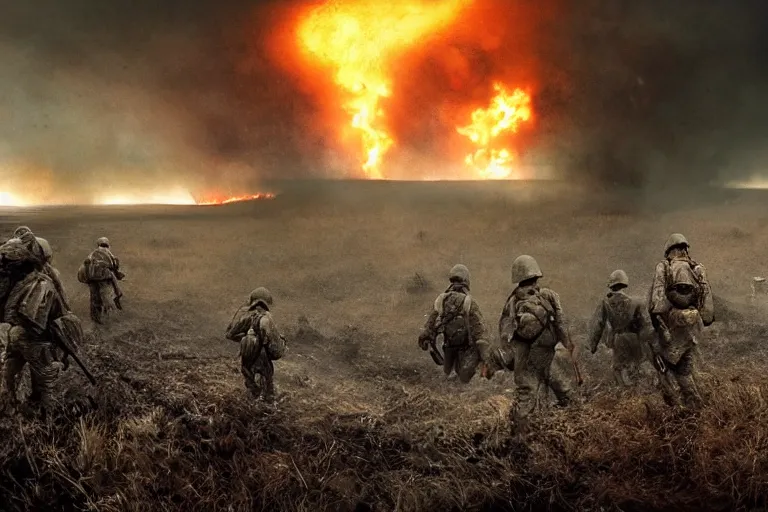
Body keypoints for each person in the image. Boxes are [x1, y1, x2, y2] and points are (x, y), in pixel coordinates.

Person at [0, 236, 84, 416]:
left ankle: (8, 410)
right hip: (29, 336)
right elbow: (38, 324)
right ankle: (49, 420)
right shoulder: (42, 282)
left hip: (15, 335)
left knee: (10, 371)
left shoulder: (17, 280)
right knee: (47, 376)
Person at [499, 255, 575, 437]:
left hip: (524, 359)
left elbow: (504, 331)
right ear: (536, 274)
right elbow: (560, 323)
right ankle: (571, 430)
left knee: (525, 399)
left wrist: (511, 356)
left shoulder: (511, 301)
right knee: (565, 392)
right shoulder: (548, 295)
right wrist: (567, 344)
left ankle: (519, 439)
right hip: (547, 357)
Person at [648, 233, 714, 408]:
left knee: (666, 368)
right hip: (692, 325)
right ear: (685, 249)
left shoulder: (664, 267)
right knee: (687, 365)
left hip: (672, 325)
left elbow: (657, 303)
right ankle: (697, 405)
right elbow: (708, 312)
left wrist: (660, 326)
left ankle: (685, 409)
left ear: (669, 250)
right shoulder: (698, 268)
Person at [418, 264, 488, 383]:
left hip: (448, 347)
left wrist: (425, 336)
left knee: (447, 375)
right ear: (466, 280)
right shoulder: (468, 301)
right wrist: (484, 354)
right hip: (465, 348)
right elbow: (479, 329)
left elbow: (431, 322)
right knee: (465, 377)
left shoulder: (441, 299)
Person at [587, 270, 652, 386]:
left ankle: (625, 393)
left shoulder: (605, 302)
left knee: (617, 369)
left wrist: (593, 345)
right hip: (634, 339)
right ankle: (638, 394)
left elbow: (598, 324)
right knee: (636, 367)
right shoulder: (636, 302)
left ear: (611, 285)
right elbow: (646, 324)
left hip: (619, 339)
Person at [225, 287, 286, 403]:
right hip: (263, 365)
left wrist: (245, 338)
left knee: (250, 394)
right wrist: (282, 342)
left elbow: (230, 334)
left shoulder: (246, 316)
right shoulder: (266, 319)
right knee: (267, 398)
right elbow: (276, 349)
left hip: (247, 363)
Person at [78, 237, 124, 324]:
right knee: (107, 299)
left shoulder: (92, 254)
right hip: (104, 280)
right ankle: (108, 321)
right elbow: (114, 265)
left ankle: (96, 320)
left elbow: (86, 266)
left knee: (95, 300)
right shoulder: (108, 252)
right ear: (108, 244)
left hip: (92, 280)